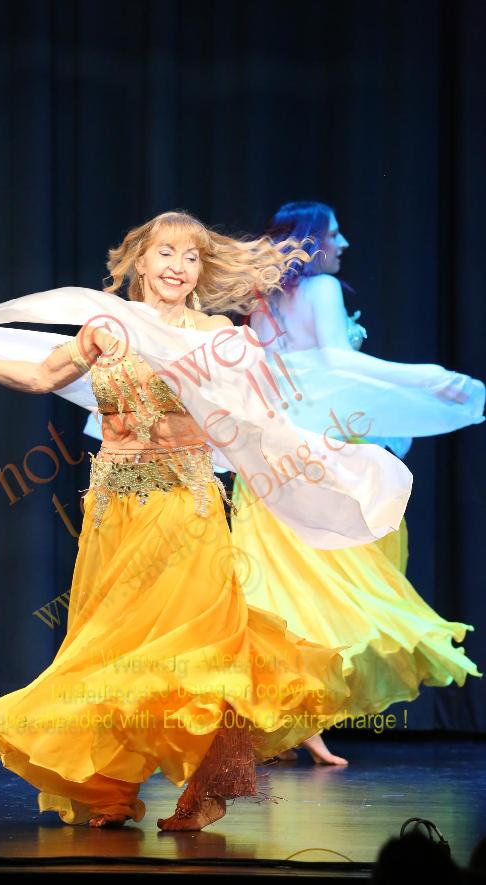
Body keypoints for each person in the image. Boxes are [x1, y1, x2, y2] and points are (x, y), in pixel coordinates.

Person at [0, 210, 412, 830]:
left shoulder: (217, 337)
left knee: (201, 649)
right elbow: (41, 375)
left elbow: (260, 417)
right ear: (139, 262)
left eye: (191, 257)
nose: (179, 267)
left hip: (186, 510)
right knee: (111, 650)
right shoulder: (104, 327)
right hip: (114, 514)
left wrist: (319, 456)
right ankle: (110, 789)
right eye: (167, 253)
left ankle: (208, 788)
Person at [232, 201, 483, 765]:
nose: (343, 243)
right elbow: (338, 363)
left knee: (285, 587)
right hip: (318, 456)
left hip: (271, 457)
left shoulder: (262, 301)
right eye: (335, 233)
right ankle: (296, 716)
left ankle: (289, 716)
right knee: (331, 581)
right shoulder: (321, 288)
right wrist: (425, 378)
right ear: (312, 240)